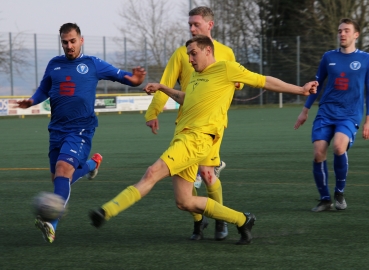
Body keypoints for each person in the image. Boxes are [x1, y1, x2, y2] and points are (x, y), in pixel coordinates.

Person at [89, 35, 318, 245]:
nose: (189, 59)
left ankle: (106, 211)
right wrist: (162, 87)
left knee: (151, 173)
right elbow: (186, 98)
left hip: (197, 140)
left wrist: (301, 90)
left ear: (208, 51)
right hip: (183, 137)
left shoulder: (226, 69)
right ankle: (242, 220)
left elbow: (263, 81)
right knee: (184, 201)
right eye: (188, 54)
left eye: (193, 53)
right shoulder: (197, 77)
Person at [16, 23, 146, 243]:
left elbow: (123, 77)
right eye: (65, 42)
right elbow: (43, 89)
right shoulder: (54, 64)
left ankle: (51, 223)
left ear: (81, 40)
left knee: (62, 169)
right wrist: (32, 100)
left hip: (81, 129)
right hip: (56, 129)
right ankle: (92, 164)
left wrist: (135, 80)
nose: (69, 46)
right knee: (59, 179)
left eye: (73, 41)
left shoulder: (93, 64)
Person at [145, 6, 241, 241]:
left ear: (210, 25)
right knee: (185, 176)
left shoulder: (226, 53)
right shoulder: (181, 54)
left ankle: (222, 220)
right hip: (186, 125)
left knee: (207, 174)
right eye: (189, 24)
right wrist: (153, 112)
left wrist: (238, 83)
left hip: (212, 127)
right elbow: (165, 84)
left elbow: (238, 77)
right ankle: (199, 221)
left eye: (196, 24)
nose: (191, 28)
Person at [294, 18, 369, 212]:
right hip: (326, 112)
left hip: (350, 114)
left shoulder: (365, 59)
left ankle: (339, 192)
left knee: (338, 146)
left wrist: (368, 120)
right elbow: (316, 85)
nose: (342, 34)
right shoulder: (328, 57)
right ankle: (325, 199)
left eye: (346, 30)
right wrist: (305, 111)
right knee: (319, 153)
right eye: (339, 31)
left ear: (356, 35)